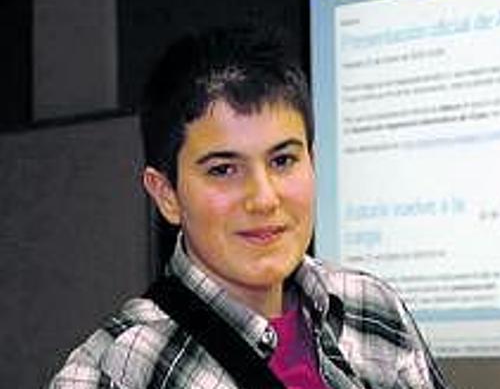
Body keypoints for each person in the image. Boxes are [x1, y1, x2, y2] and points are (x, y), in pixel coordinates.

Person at [49, 26, 450, 389]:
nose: (263, 198)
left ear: (312, 160)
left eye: (283, 161)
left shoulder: (371, 309)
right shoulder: (115, 369)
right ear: (166, 193)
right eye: (223, 169)